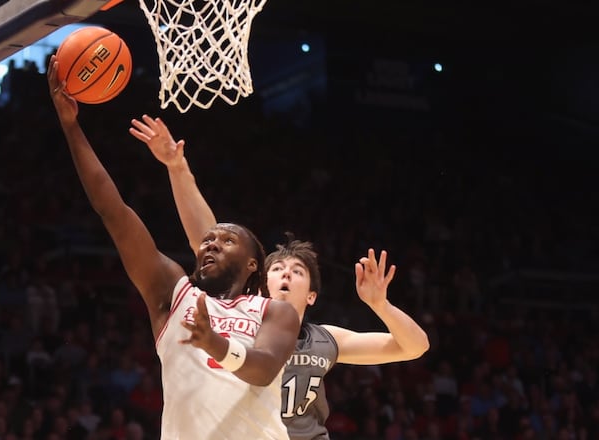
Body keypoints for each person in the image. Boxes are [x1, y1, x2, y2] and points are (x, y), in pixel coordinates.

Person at [130, 114, 431, 439]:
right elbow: (205, 236)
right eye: (277, 268)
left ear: (312, 295)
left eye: (297, 271)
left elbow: (415, 347)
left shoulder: (325, 338)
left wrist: (381, 305)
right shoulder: (241, 316)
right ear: (260, 281)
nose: (286, 272)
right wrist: (178, 169)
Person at [47, 57, 300, 440]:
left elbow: (264, 369)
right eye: (209, 240)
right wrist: (70, 127)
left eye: (227, 240)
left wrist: (214, 343)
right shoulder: (172, 294)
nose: (212, 242)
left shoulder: (274, 312)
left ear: (254, 265)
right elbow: (113, 212)